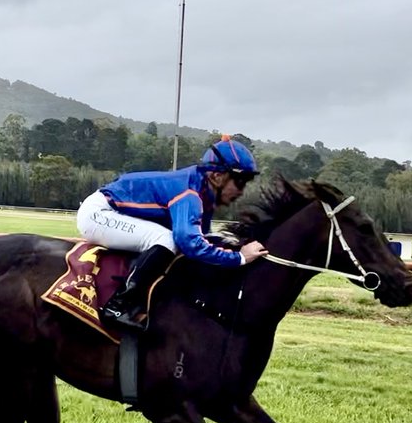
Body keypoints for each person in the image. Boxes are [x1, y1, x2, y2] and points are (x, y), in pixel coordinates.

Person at [76, 135, 268, 332]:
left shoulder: (202, 190)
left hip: (110, 210)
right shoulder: (189, 192)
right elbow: (190, 243)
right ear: (217, 176)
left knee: (168, 238)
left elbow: (203, 236)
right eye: (240, 182)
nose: (242, 191)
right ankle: (117, 306)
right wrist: (240, 258)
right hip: (98, 214)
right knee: (166, 239)